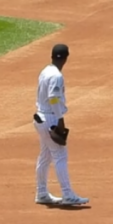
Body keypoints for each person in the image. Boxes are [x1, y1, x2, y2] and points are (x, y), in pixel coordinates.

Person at [33, 44, 89, 206]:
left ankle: (42, 192)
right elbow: (54, 99)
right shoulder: (56, 76)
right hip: (50, 118)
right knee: (60, 156)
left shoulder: (45, 71)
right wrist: (60, 119)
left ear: (52, 56)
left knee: (45, 156)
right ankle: (67, 194)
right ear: (66, 58)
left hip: (40, 117)